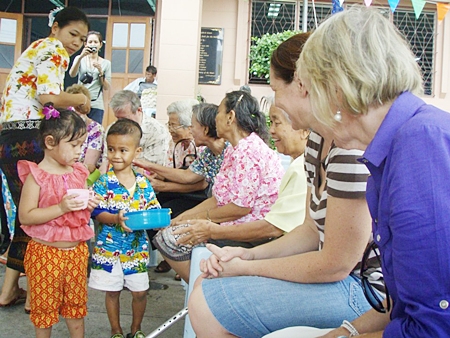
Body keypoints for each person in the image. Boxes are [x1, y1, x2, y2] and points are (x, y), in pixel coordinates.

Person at [187, 33, 376, 337]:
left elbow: (336, 264)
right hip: (339, 279)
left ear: (303, 85)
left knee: (207, 303)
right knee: (206, 286)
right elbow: (310, 231)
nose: (275, 104)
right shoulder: (317, 140)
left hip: (364, 293)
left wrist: (247, 267)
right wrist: (247, 255)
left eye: (275, 89)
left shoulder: (348, 147)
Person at [292, 5, 450, 337]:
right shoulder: (392, 148)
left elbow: (433, 328)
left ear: (336, 87)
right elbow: (405, 306)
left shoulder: (418, 144)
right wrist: (346, 331)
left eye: (310, 90)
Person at [0, 6, 89, 312]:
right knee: (40, 214)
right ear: (55, 29)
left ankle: (9, 290)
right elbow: (49, 97)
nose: (75, 42)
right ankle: (37, 294)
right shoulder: (54, 50)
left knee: (24, 215)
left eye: (82, 38)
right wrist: (81, 99)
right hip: (30, 135)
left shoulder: (35, 48)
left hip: (7, 137)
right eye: (72, 34)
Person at [152, 90, 285, 283]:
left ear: (230, 117)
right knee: (169, 231)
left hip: (250, 231)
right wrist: (183, 218)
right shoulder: (235, 149)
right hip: (236, 221)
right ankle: (202, 288)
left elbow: (240, 208)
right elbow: (218, 199)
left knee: (171, 239)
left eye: (219, 113)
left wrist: (199, 221)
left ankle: (204, 289)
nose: (215, 119)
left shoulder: (247, 151)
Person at [17, 108, 99, 337]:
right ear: (50, 142)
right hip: (44, 253)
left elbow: (79, 210)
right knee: (44, 310)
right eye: (74, 145)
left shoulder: (79, 172)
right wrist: (60, 208)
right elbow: (26, 216)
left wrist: (89, 203)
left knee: (75, 309)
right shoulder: (37, 176)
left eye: (81, 145)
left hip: (76, 253)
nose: (79, 151)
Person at [88, 119, 161, 338]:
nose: (116, 155)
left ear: (136, 152)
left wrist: (161, 220)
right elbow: (96, 212)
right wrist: (114, 218)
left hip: (137, 250)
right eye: (111, 149)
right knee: (112, 292)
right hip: (109, 250)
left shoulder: (143, 183)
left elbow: (153, 210)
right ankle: (116, 330)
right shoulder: (103, 182)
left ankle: (136, 329)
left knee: (140, 292)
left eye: (123, 150)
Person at [134, 103, 228, 217]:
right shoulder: (208, 153)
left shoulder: (231, 152)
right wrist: (149, 166)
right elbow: (187, 175)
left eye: (192, 127)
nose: (191, 132)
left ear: (206, 129)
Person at [108, 90, 169, 167]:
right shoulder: (112, 129)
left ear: (139, 110)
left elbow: (155, 168)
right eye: (118, 118)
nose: (120, 123)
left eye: (124, 118)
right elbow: (106, 161)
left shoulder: (156, 131)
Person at [69, 30, 111, 124]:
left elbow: (107, 87)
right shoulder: (79, 59)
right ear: (85, 44)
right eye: (90, 42)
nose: (93, 44)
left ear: (100, 45)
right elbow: (72, 74)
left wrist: (100, 72)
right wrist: (80, 57)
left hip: (96, 104)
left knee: (94, 132)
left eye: (95, 42)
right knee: (77, 130)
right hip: (80, 102)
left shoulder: (106, 63)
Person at [66, 84, 105, 173]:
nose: (75, 113)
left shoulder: (96, 130)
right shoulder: (65, 128)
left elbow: (89, 166)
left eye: (79, 108)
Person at [165, 99, 199, 169]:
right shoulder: (174, 144)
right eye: (169, 125)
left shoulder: (200, 147)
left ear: (189, 127)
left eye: (174, 126)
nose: (170, 130)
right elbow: (168, 170)